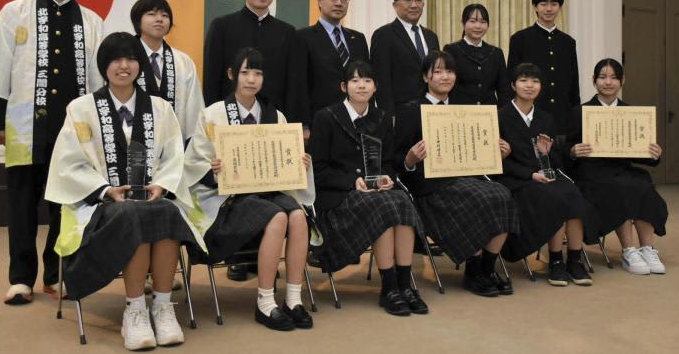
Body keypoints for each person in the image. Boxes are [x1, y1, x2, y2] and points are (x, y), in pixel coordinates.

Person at [0, 0, 103, 305]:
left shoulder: (91, 22)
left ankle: (57, 275)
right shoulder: (16, 13)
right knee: (22, 204)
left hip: (73, 132)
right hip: (25, 127)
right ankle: (20, 279)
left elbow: (98, 82)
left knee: (66, 205)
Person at [45, 32, 201, 350]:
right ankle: (135, 309)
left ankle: (162, 306)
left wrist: (162, 185)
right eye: (116, 59)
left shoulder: (160, 108)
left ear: (140, 65)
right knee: (132, 213)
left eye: (131, 58)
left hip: (152, 197)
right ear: (104, 66)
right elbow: (68, 163)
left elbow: (174, 156)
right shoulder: (81, 109)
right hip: (99, 205)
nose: (124, 66)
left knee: (168, 211)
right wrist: (106, 190)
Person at [176, 48, 316, 331]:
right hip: (226, 199)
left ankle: (293, 298)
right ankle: (265, 301)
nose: (251, 79)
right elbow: (192, 166)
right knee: (277, 217)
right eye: (245, 72)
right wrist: (212, 170)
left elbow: (285, 164)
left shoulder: (275, 116)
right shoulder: (212, 115)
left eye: (258, 73)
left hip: (267, 193)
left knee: (299, 217)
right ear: (232, 75)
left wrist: (300, 163)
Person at [308, 61, 429, 316]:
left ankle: (405, 285)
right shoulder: (326, 117)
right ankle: (389, 287)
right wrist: (352, 181)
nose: (361, 85)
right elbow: (318, 171)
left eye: (366, 80)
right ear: (344, 87)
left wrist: (386, 177)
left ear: (375, 87)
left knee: (402, 201)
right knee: (383, 206)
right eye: (354, 80)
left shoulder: (382, 118)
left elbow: (388, 163)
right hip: (339, 199)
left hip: (375, 193)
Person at [395, 50, 519, 297]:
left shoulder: (464, 109)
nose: (445, 77)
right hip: (429, 187)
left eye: (450, 71)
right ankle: (473, 271)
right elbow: (395, 159)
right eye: (438, 71)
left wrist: (497, 155)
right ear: (425, 77)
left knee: (502, 194)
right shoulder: (411, 110)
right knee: (476, 199)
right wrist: (409, 160)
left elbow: (474, 153)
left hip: (464, 179)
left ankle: (486, 268)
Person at [497, 63, 598, 287]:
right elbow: (499, 163)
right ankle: (555, 261)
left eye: (535, 81)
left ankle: (574, 259)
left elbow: (556, 162)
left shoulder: (546, 118)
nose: (529, 85)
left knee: (571, 192)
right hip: (517, 181)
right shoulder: (500, 117)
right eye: (523, 80)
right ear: (513, 85)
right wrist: (530, 174)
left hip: (545, 176)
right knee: (555, 197)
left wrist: (546, 153)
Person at [565, 58, 667, 274]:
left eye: (613, 77)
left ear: (622, 81)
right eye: (602, 77)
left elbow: (639, 151)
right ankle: (629, 251)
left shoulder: (631, 113)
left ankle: (647, 249)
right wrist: (572, 151)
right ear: (594, 81)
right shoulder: (580, 112)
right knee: (620, 188)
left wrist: (653, 153)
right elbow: (564, 149)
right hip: (591, 173)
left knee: (643, 184)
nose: (608, 82)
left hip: (621, 169)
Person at [203, 0, 298, 119]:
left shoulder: (287, 32)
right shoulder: (221, 27)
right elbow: (211, 79)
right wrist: (213, 117)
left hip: (273, 118)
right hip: (229, 117)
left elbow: (293, 84)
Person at [294, 0, 369, 134]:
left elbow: (367, 79)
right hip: (320, 121)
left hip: (357, 121)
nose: (339, 3)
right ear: (320, 0)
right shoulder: (303, 37)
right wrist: (303, 125)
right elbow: (299, 85)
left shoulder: (358, 39)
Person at [126, 0, 204, 142]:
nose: (159, 19)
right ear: (137, 21)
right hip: (131, 142)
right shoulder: (124, 60)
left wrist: (192, 144)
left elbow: (194, 107)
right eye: (151, 14)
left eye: (165, 15)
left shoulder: (183, 62)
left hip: (174, 144)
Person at [507, 0, 579, 136]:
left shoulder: (568, 42)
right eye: (543, 4)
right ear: (535, 7)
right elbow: (511, 80)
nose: (549, 9)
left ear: (560, 7)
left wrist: (574, 113)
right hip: (530, 114)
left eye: (554, 4)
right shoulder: (520, 39)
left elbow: (573, 82)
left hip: (561, 116)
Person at [371, 0, 440, 116]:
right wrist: (388, 116)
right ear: (395, 5)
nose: (414, 5)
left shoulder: (431, 36)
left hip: (431, 111)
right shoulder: (384, 35)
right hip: (401, 113)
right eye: (408, 0)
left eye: (418, 0)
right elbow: (381, 80)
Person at [443, 3, 510, 106]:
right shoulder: (451, 50)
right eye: (473, 21)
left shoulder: (496, 53)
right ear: (463, 23)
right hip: (460, 111)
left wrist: (503, 113)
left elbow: (503, 90)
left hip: (490, 111)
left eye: (483, 22)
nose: (478, 26)